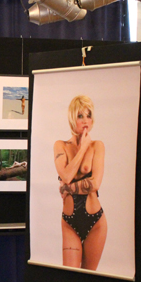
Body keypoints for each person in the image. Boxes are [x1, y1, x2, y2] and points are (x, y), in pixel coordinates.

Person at [54, 95, 107, 271]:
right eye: (80, 116)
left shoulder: (97, 146)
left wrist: (66, 188)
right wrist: (82, 147)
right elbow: (66, 175)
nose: (85, 120)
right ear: (72, 118)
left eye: (89, 115)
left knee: (89, 277)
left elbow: (95, 184)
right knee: (69, 276)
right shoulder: (60, 146)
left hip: (95, 222)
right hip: (70, 223)